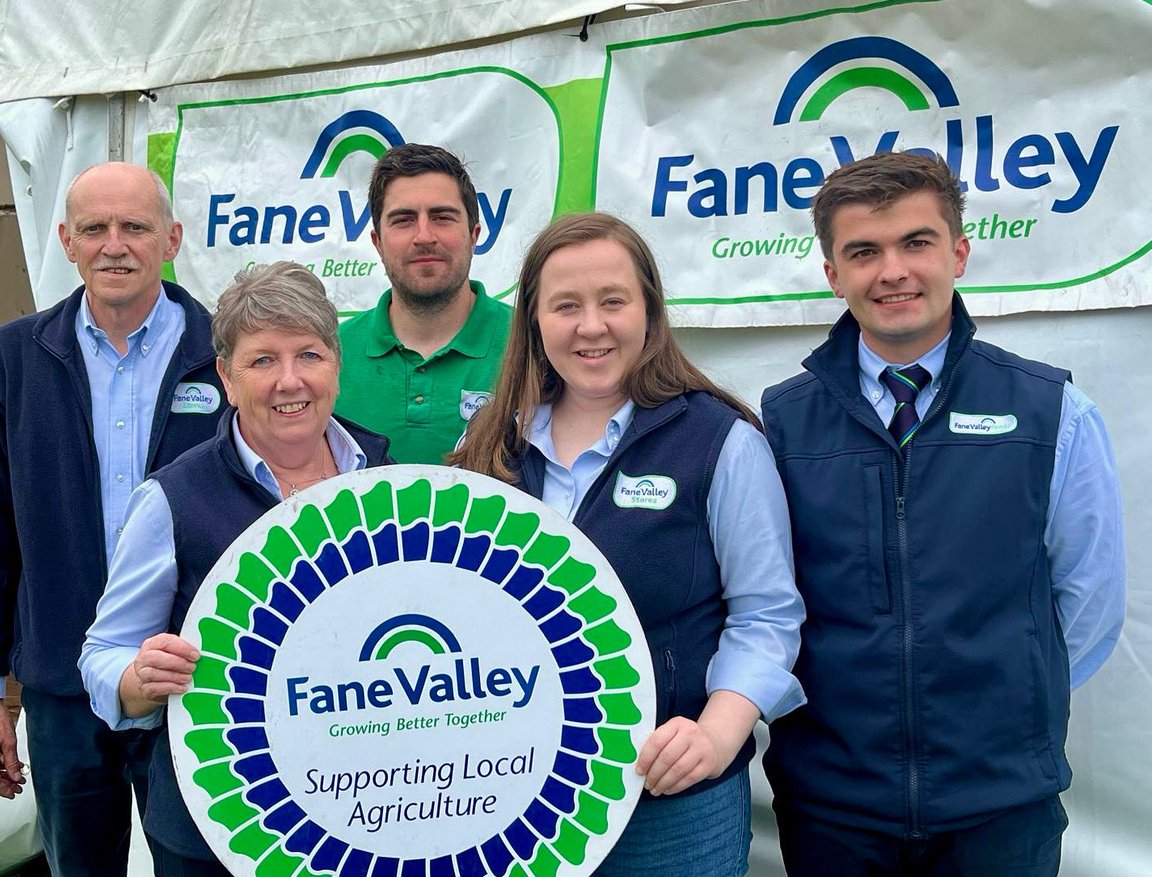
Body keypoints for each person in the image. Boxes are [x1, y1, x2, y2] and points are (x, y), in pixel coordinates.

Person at [760, 151, 1126, 876]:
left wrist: (1000, 711)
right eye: (864, 251)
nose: (892, 271)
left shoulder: (1051, 411)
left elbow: (1090, 607)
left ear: (957, 252)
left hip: (1000, 810)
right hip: (834, 809)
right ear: (833, 274)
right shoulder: (780, 423)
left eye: (916, 243)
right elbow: (767, 603)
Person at [452, 212, 805, 876]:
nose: (592, 326)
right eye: (566, 306)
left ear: (649, 309)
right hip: (511, 802)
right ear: (533, 321)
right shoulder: (487, 448)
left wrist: (716, 731)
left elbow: (767, 615)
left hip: (668, 806)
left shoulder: (720, 441)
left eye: (613, 300)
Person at [0, 162, 227, 875]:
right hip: (62, 692)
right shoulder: (16, 355)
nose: (115, 244)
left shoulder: (226, 355)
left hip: (191, 683)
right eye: (95, 228)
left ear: (170, 238)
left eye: (134, 226)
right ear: (66, 241)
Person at [80, 261, 392, 875]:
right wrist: (140, 678)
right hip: (222, 826)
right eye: (262, 361)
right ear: (225, 375)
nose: (289, 381)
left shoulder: (386, 478)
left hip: (365, 812)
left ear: (336, 361)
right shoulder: (172, 498)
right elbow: (103, 652)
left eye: (309, 354)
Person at [335, 143, 510, 464]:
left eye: (442, 217)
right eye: (403, 220)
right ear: (377, 241)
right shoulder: (329, 357)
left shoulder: (532, 345)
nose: (424, 236)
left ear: (474, 235)